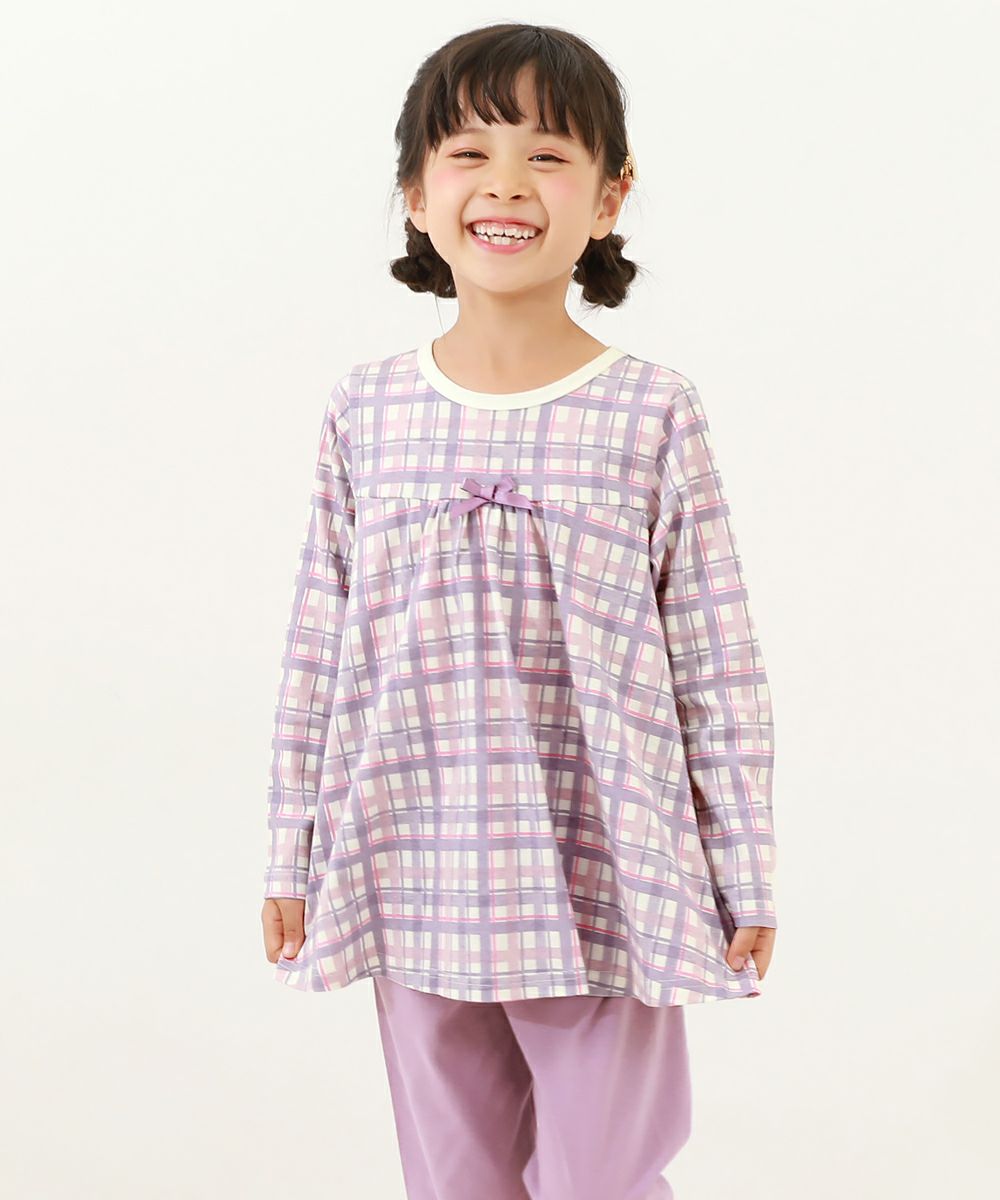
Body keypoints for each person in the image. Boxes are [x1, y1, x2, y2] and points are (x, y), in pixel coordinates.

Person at [259, 21, 778, 1200]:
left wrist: (741, 866)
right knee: (454, 1176)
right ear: (415, 194)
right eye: (467, 154)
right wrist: (293, 850)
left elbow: (715, 659)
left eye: (546, 155)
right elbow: (318, 646)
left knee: (604, 1176)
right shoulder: (366, 409)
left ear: (609, 196)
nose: (504, 184)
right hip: (411, 857)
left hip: (607, 863)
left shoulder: (650, 411)